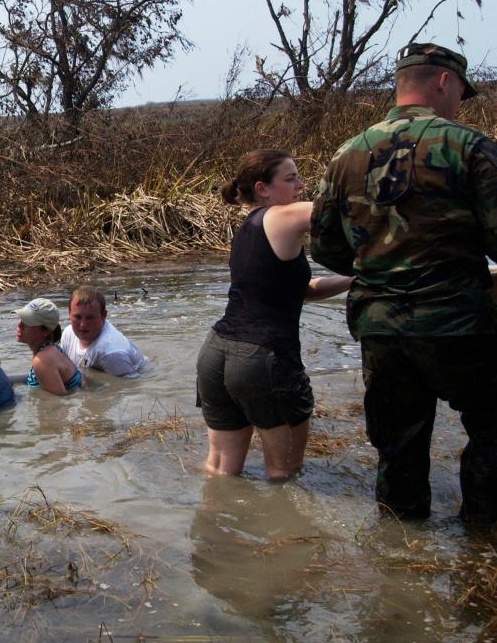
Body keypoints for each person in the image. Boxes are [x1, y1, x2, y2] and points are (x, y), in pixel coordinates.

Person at [310, 42, 497, 523]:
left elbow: (326, 249)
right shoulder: (469, 146)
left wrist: (378, 260)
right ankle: (482, 543)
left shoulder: (346, 154)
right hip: (459, 324)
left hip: (381, 330)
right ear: (443, 82)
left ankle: (397, 558)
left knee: (397, 449)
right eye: (460, 92)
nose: (460, 103)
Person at [197, 149, 352, 480]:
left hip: (217, 353)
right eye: (290, 178)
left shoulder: (249, 227)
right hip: (261, 358)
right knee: (284, 476)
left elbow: (302, 291)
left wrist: (355, 280)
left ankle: (214, 527)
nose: (300, 186)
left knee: (220, 471)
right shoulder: (282, 216)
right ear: (262, 188)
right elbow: (335, 210)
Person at [60, 285, 148, 377]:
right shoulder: (68, 334)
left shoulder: (112, 354)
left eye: (90, 318)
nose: (83, 325)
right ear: (69, 314)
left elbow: (131, 386)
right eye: (77, 317)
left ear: (103, 315)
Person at [14, 297, 83, 395]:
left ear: (45, 331)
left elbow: (57, 403)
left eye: (27, 321)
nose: (19, 325)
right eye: (21, 318)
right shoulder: (51, 349)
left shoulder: (43, 360)